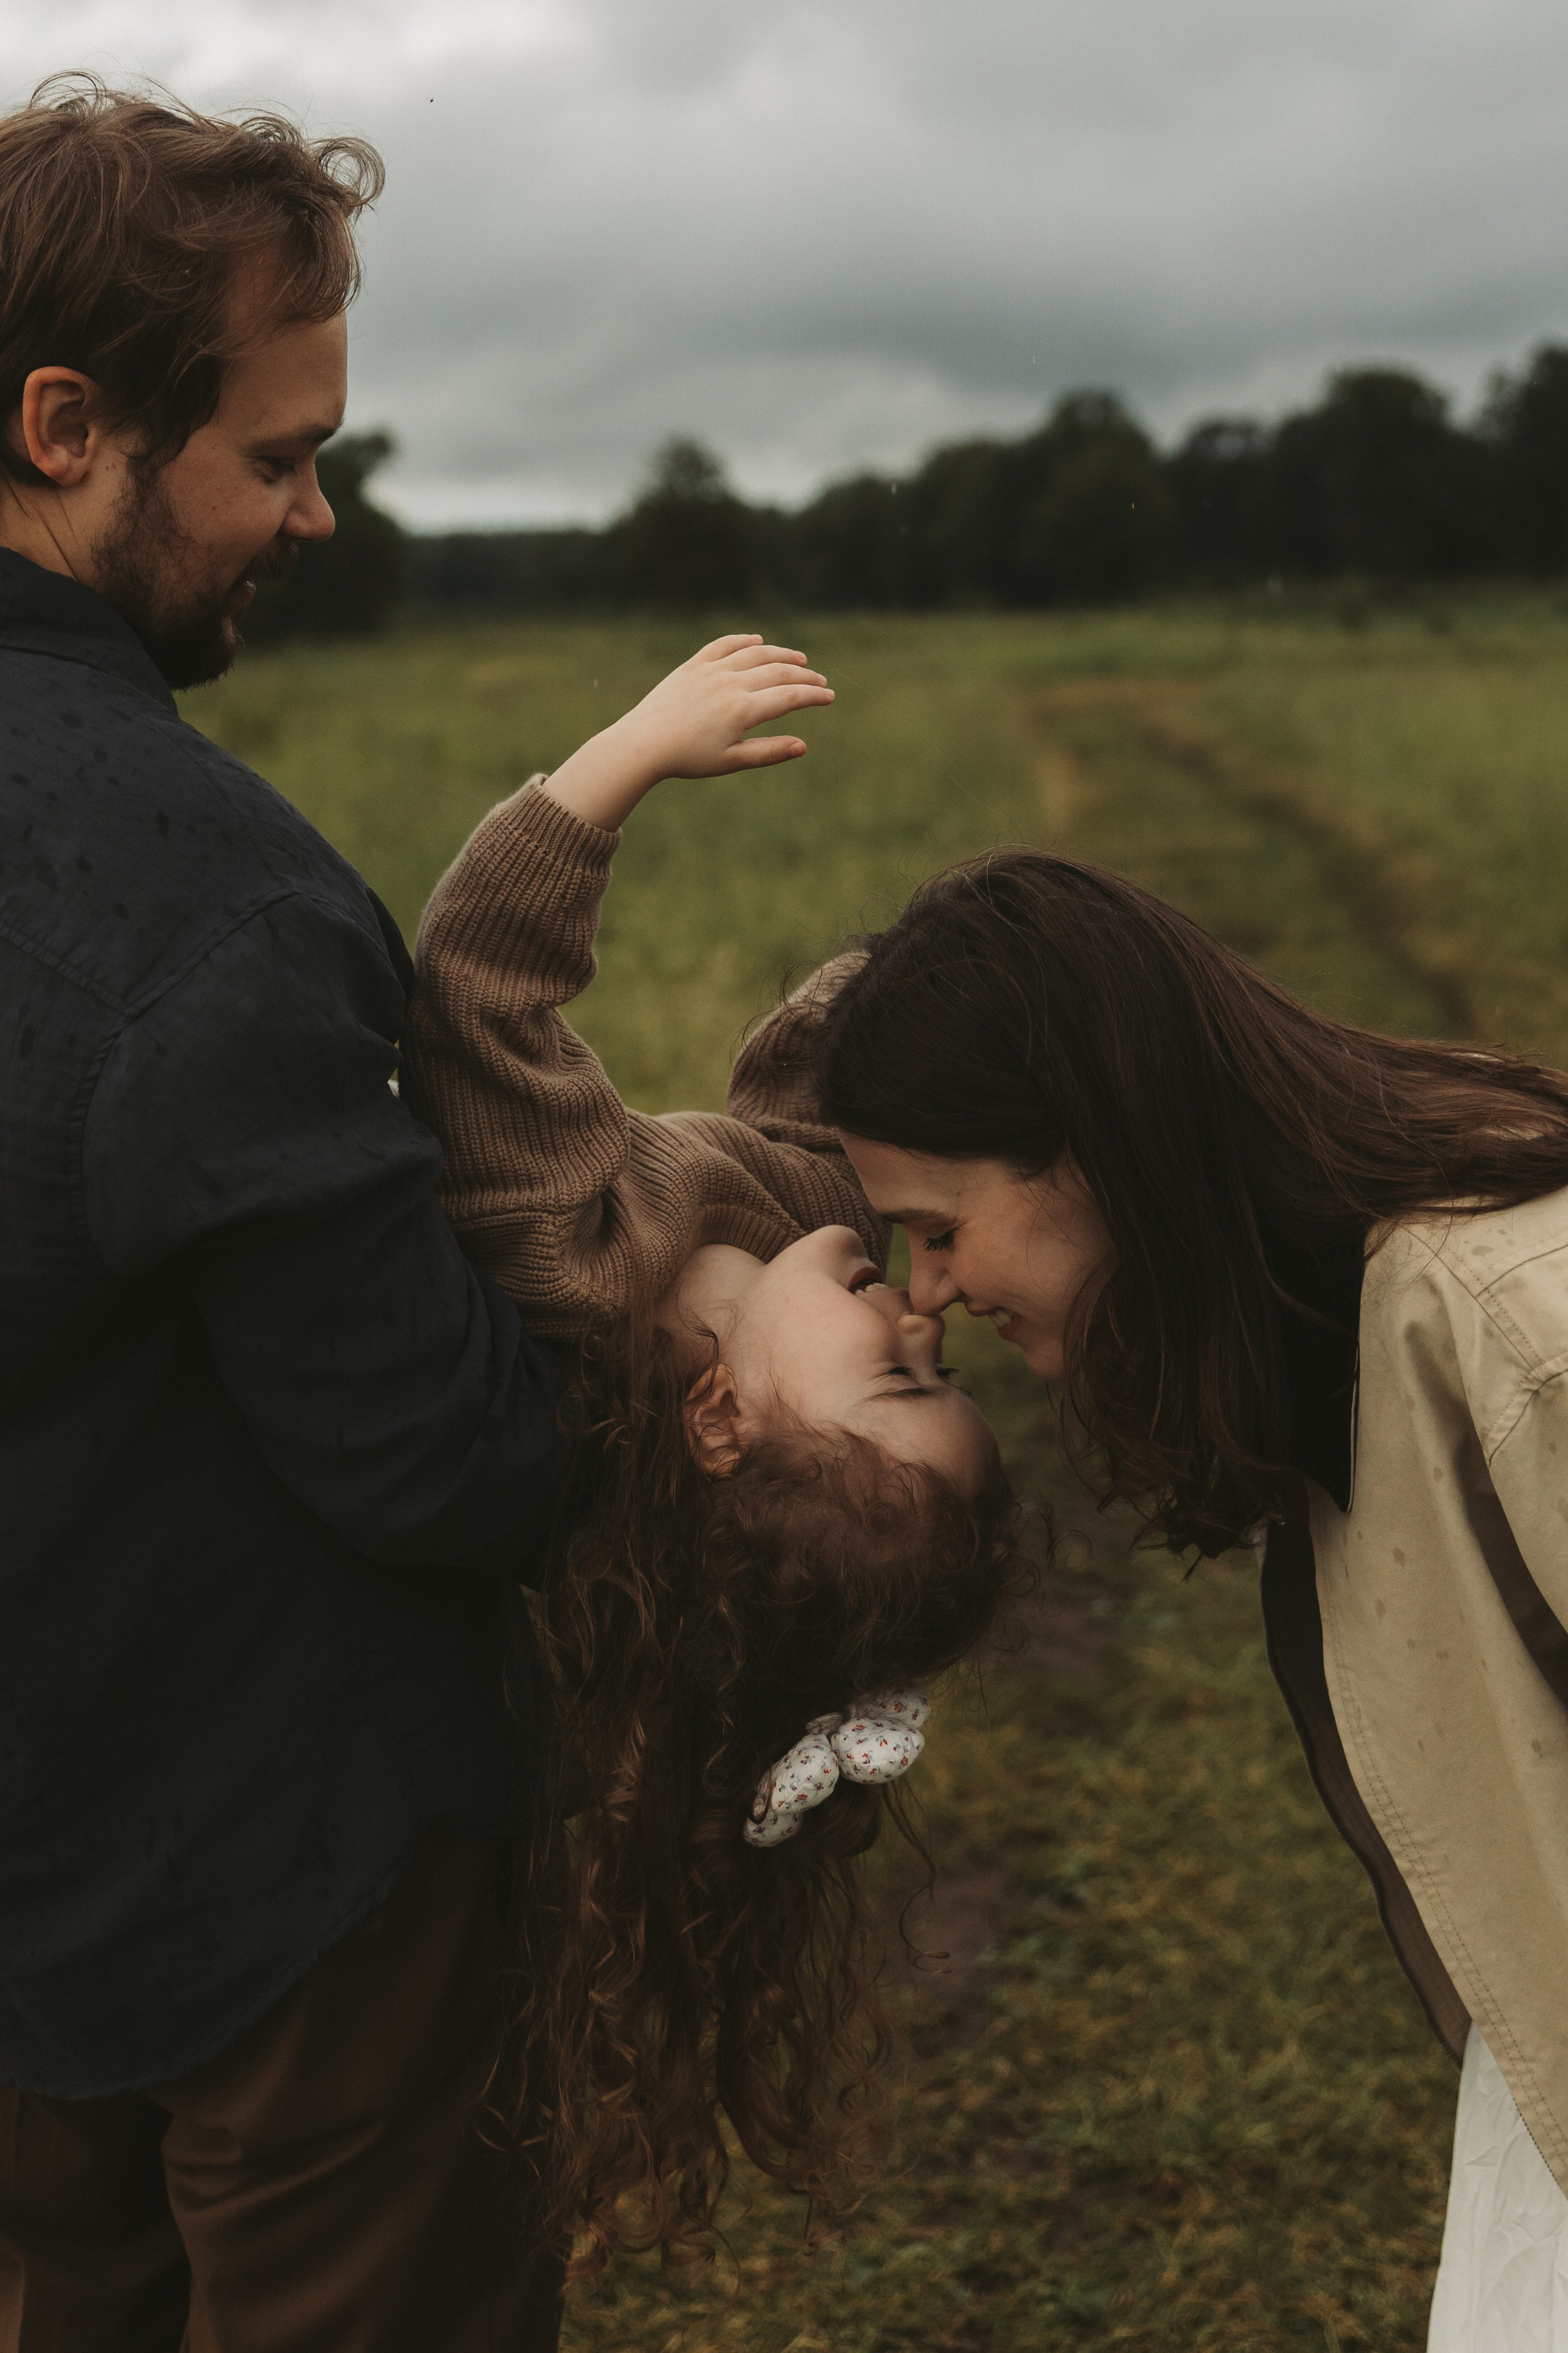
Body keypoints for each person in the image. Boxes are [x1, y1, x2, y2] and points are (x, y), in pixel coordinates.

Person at [0, 78, 573, 2351]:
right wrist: (695, 1379)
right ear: (64, 425)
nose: (316, 513)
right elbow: (434, 1453)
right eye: (274, 452)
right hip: (295, 1910)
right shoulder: (206, 893)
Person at [813, 847, 1568, 2350]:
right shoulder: (1335, 1326)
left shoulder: (1507, 1322)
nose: (928, 1288)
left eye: (940, 1224)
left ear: (1088, 1152)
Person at [401, 635, 1021, 2274]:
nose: (920, 1322)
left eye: (897, 1384)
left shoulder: (573, 1260)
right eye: (945, 1367)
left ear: (725, 1421)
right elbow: (832, 1081)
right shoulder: (823, 1235)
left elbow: (479, 997)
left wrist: (618, 762)